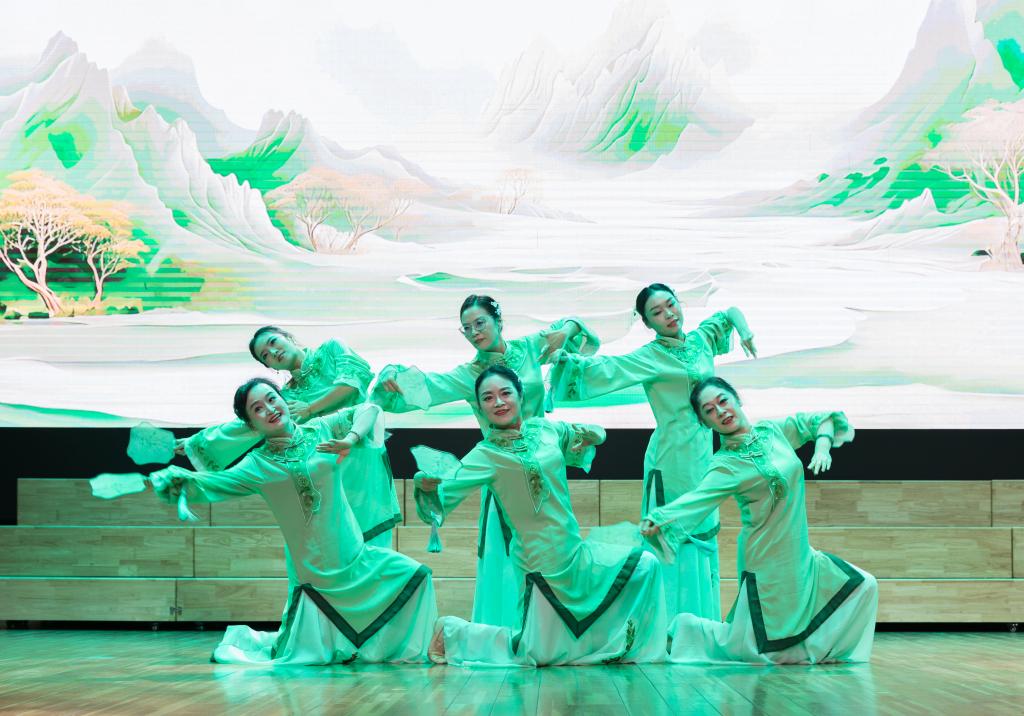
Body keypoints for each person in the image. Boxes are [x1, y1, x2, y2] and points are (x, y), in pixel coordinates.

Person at [152, 378, 436, 665]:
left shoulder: (321, 429)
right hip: (314, 572)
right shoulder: (257, 464)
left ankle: (384, 652)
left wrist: (350, 439)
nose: (269, 409)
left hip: (353, 555)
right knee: (302, 652)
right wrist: (177, 480)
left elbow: (369, 409)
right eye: (258, 409)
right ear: (251, 425)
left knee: (417, 577)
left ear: (283, 399)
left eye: (271, 398)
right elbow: (212, 483)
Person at [414, 365, 667, 666]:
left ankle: (629, 646)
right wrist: (426, 488)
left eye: (506, 393)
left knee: (646, 565)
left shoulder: (545, 430)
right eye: (488, 398)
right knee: (536, 653)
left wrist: (592, 434)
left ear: (520, 396)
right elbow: (439, 501)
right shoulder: (484, 455)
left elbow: (593, 435)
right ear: (479, 407)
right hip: (537, 563)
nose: (499, 402)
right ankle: (452, 632)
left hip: (574, 553)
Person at [372, 295, 599, 627]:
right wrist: (390, 374)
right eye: (466, 328)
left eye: (480, 323)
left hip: (545, 464)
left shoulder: (529, 347)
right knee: (506, 561)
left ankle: (562, 630)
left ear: (499, 321)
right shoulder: (470, 375)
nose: (474, 332)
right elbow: (421, 390)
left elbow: (577, 330)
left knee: (560, 547)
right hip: (502, 472)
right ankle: (510, 633)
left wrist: (567, 330)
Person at [551, 283, 756, 619]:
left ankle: (701, 623)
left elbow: (729, 313)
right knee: (671, 539)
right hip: (670, 460)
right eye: (657, 313)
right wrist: (566, 362)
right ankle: (668, 624)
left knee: (702, 531)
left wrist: (745, 331)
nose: (668, 314)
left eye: (671, 305)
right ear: (647, 323)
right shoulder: (651, 356)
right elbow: (609, 369)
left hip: (704, 458)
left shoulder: (701, 340)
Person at [640, 377, 877, 664]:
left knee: (864, 585)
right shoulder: (725, 464)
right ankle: (686, 629)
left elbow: (821, 420)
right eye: (710, 411)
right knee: (763, 648)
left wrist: (822, 447)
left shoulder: (772, 431)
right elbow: (697, 499)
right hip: (764, 558)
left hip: (798, 554)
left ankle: (818, 652)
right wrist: (659, 519)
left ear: (737, 399)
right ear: (705, 423)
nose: (721, 411)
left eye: (723, 401)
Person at [178, 327, 400, 547]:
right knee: (340, 542)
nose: (273, 352)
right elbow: (243, 426)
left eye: (273, 342)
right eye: (265, 355)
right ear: (270, 367)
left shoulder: (331, 349)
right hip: (329, 470)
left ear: (288, 338)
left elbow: (352, 384)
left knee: (374, 536)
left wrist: (311, 408)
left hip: (363, 456)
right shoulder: (283, 397)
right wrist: (195, 442)